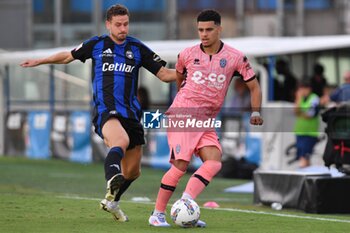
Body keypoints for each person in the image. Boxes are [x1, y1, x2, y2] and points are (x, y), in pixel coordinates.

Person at [20, 4, 176, 222]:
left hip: (131, 114)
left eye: (126, 24)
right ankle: (112, 177)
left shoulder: (137, 48)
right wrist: (40, 60)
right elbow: (67, 56)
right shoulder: (97, 44)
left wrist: (192, 71)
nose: (123, 29)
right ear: (108, 24)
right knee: (119, 141)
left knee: (133, 172)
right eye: (118, 25)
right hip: (106, 110)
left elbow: (164, 74)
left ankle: (112, 201)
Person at [148, 9, 263, 227]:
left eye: (209, 29)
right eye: (200, 29)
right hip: (184, 113)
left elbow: (254, 86)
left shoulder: (235, 57)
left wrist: (256, 111)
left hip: (206, 119)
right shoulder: (187, 54)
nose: (204, 34)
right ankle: (157, 214)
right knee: (180, 165)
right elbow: (180, 78)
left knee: (214, 161)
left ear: (219, 29)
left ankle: (186, 203)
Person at [293, 79, 320, 168]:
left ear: (309, 89)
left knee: (304, 158)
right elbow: (295, 112)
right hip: (299, 132)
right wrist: (298, 99)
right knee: (304, 158)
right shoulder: (300, 99)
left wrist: (300, 113)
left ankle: (301, 178)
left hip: (310, 133)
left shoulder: (314, 98)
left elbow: (310, 115)